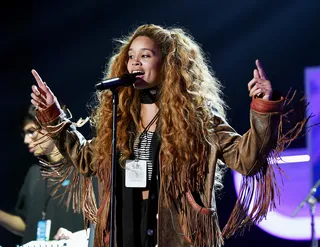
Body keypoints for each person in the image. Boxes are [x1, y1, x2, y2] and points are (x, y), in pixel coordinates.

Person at [29, 24, 306, 247]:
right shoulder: (120, 118)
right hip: (124, 229)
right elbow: (85, 159)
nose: (135, 62)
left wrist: (263, 107)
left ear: (167, 63)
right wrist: (53, 114)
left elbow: (247, 159)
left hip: (177, 233)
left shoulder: (198, 119)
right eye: (131, 56)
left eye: (146, 55)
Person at [0, 105, 87, 245]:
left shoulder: (85, 169)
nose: (26, 140)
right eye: (25, 134)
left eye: (31, 131)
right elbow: (28, 226)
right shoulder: (34, 174)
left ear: (50, 128)